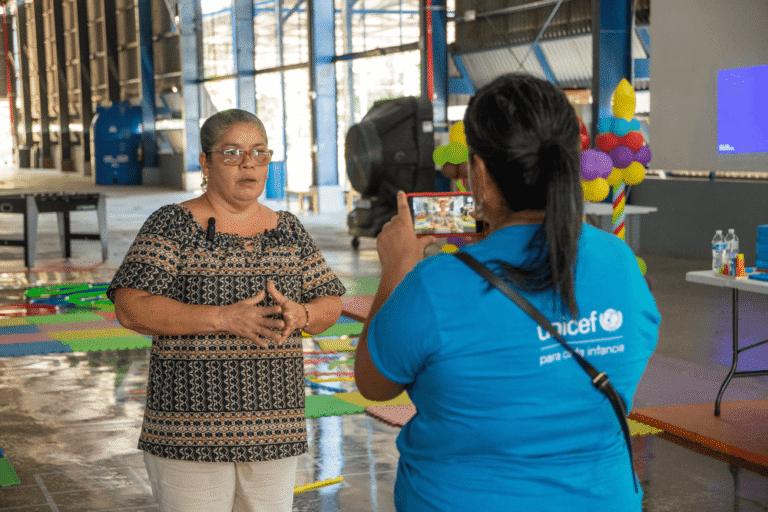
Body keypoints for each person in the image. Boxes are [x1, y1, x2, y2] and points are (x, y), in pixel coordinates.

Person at [355, 74, 660, 511]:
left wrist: (397, 268)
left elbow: (373, 383)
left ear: (478, 171)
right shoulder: (621, 263)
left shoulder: (436, 285)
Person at [108, 108, 345, 512]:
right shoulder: (172, 225)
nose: (248, 163)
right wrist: (222, 318)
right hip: (188, 430)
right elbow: (131, 308)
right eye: (232, 153)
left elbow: (330, 303)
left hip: (274, 428)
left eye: (259, 153)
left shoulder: (288, 229)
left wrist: (301, 315)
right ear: (205, 162)